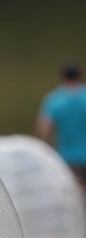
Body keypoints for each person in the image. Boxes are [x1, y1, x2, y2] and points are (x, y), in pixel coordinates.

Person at [36, 58, 86, 189]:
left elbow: (44, 130)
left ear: (62, 76)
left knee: (76, 196)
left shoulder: (54, 100)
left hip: (67, 158)